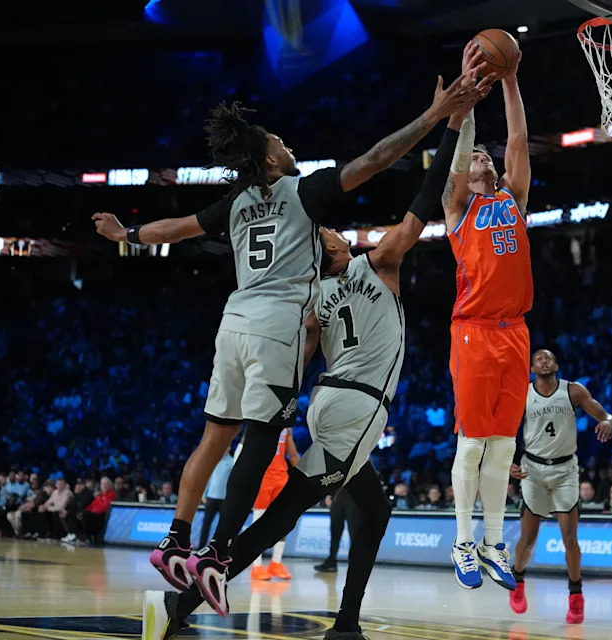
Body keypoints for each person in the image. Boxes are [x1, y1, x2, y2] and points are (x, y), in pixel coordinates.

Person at [94, 73, 481, 599]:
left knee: (215, 439)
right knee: (261, 441)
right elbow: (379, 164)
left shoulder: (235, 206)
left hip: (235, 324)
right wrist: (439, 117)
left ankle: (176, 539)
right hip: (296, 346)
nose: (288, 144)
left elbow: (175, 228)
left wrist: (126, 234)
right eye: (281, 143)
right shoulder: (323, 211)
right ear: (271, 161)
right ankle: (219, 551)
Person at [442, 41, 532, 592]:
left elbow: (519, 138)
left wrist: (509, 81)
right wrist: (467, 96)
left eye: (486, 156)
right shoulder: (459, 209)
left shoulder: (513, 201)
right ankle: (461, 539)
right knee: (472, 444)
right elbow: (458, 155)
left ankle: (494, 540)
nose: (485, 156)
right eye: (478, 156)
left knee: (503, 446)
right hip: (473, 334)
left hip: (516, 333)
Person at [508, 349, 612, 623]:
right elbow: (505, 431)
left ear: (557, 365)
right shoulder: (522, 393)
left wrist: (608, 421)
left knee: (569, 537)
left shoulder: (574, 390)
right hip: (532, 469)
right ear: (532, 368)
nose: (544, 361)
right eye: (539, 359)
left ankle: (575, 596)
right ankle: (517, 580)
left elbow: (604, 414)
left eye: (549, 358)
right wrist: (506, 462)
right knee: (528, 538)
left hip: (565, 469)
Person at [247, 427, 299, 581]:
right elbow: (245, 449)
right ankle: (256, 566)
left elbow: (293, 454)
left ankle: (276, 563)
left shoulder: (286, 427)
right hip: (263, 476)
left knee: (283, 520)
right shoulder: (262, 418)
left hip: (281, 476)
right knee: (259, 520)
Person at [315, 490, 360, 573]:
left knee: (354, 533)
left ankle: (357, 564)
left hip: (355, 497)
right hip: (338, 495)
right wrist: (329, 494)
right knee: (334, 531)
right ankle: (331, 561)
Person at [199, 447, 234, 549]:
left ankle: (221, 548)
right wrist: (203, 494)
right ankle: (201, 547)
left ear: (229, 448)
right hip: (211, 497)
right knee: (206, 524)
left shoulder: (232, 462)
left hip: (225, 499)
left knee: (224, 526)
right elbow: (208, 478)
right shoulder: (213, 460)